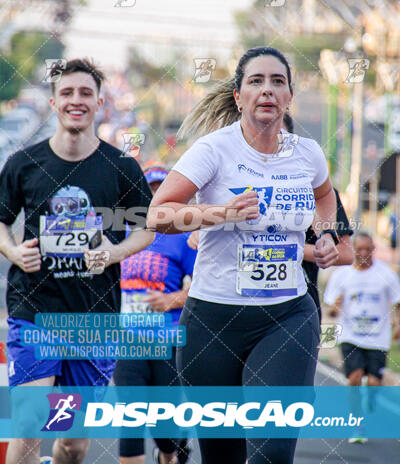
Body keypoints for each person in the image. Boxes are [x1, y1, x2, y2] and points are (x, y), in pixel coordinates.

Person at [147, 46, 342, 464]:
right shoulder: (213, 151)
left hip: (287, 315)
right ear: (238, 96)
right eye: (256, 81)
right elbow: (158, 215)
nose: (267, 90)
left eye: (277, 82)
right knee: (224, 457)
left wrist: (325, 235)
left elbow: (326, 198)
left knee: (271, 453)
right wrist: (219, 213)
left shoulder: (307, 154)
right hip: (212, 322)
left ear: (290, 96)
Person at [0, 59, 154, 464]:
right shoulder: (24, 164)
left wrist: (114, 252)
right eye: (67, 93)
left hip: (93, 318)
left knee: (72, 442)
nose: (76, 100)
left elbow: (147, 229)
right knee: (31, 420)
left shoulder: (121, 167)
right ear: (53, 102)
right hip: (35, 309)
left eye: (85, 93)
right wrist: (13, 251)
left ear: (100, 102)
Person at [113, 163, 196, 464]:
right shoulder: (122, 233)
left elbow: (204, 288)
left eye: (164, 190)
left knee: (165, 425)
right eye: (151, 191)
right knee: (131, 415)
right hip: (127, 340)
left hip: (168, 341)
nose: (157, 196)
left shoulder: (183, 237)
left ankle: (170, 452)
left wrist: (171, 299)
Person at [324, 231, 400, 443]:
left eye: (368, 249)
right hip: (350, 335)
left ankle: (372, 395)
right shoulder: (342, 274)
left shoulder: (386, 273)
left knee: (374, 383)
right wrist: (335, 308)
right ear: (354, 250)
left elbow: (397, 302)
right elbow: (330, 309)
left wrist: (398, 324)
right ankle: (358, 425)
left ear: (373, 249)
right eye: (360, 250)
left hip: (378, 337)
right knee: (354, 378)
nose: (364, 253)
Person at [282, 113, 354, 324]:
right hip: (240, 308)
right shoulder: (239, 188)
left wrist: (289, 249)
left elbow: (346, 254)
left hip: (299, 306)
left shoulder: (321, 195)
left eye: (281, 137)